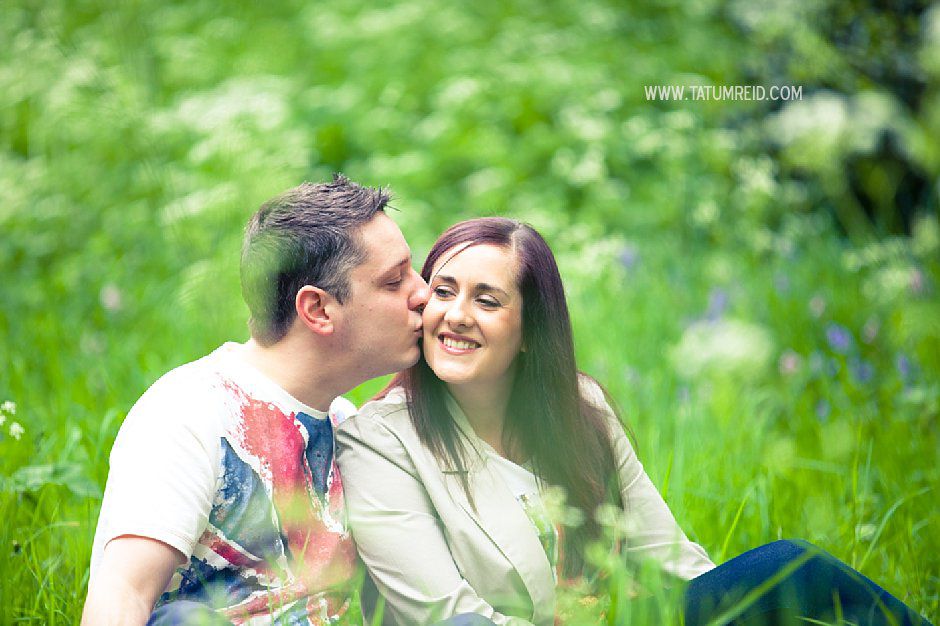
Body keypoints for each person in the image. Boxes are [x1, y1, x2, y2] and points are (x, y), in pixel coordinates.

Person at [334, 217, 933, 626]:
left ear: (530, 332)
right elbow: (448, 618)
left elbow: (674, 563)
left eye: (487, 300)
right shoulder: (383, 441)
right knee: (787, 565)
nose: (455, 316)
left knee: (789, 575)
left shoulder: (579, 410)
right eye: (443, 292)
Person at [82, 175, 431, 625]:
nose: (423, 293)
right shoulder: (190, 411)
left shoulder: (347, 424)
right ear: (318, 310)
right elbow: (124, 594)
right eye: (393, 281)